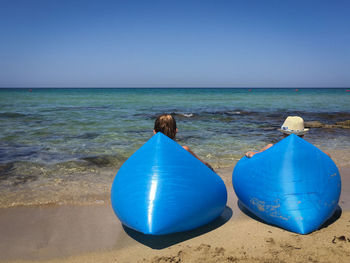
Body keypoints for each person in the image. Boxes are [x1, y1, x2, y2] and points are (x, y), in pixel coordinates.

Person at [245, 116, 331, 158]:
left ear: (283, 135)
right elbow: (327, 156)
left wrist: (250, 153)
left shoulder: (276, 151)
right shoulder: (309, 151)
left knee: (269, 146)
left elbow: (254, 156)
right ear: (303, 135)